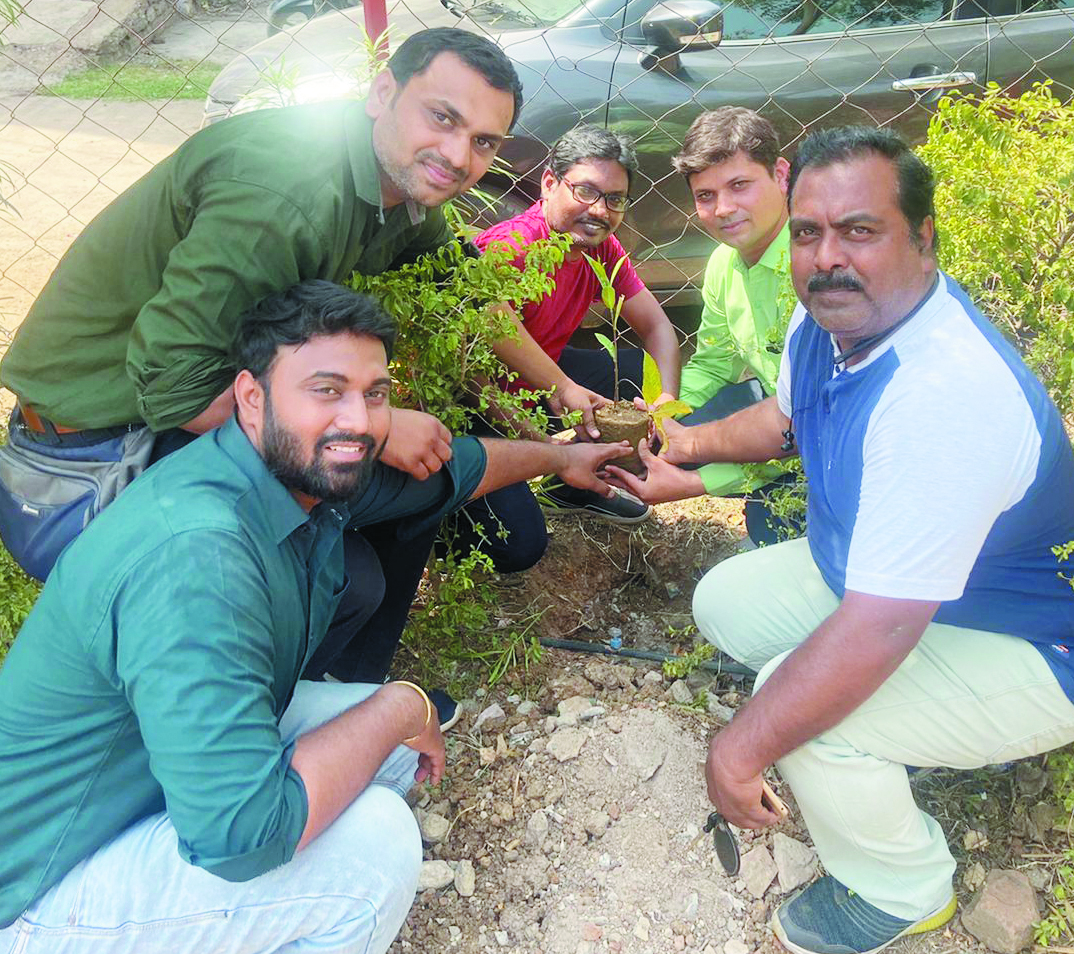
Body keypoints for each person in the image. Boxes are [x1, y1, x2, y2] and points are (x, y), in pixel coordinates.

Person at [608, 126, 1074, 954]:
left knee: (795, 708)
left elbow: (877, 630)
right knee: (726, 603)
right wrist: (685, 446)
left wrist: (739, 750)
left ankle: (903, 889)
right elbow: (779, 421)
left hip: (1046, 647)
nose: (826, 257)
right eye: (808, 232)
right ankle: (895, 735)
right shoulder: (829, 323)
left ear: (922, 238)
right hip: (914, 593)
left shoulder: (941, 395)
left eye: (859, 230)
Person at [0, 279, 628, 953]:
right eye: (326, 390)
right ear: (251, 397)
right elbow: (243, 838)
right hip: (38, 886)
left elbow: (459, 471)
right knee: (375, 848)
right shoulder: (199, 556)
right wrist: (398, 706)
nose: (358, 420)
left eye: (376, 394)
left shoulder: (290, 470)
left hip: (142, 778)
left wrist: (565, 459)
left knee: (389, 758)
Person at [0, 27, 599, 697]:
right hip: (100, 449)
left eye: (484, 142)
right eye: (442, 117)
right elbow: (177, 390)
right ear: (383, 93)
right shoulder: (286, 194)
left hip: (187, 404)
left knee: (392, 509)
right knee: (352, 560)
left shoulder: (394, 184)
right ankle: (269, 711)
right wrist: (374, 429)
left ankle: (345, 687)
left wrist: (563, 387)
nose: (459, 156)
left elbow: (464, 292)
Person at [450, 124, 682, 571]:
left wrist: (663, 403)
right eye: (586, 191)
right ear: (549, 183)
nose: (600, 210)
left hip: (541, 383)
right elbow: (470, 378)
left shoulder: (600, 247)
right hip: (477, 405)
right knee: (517, 547)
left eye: (615, 199)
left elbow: (657, 326)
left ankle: (574, 488)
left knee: (636, 372)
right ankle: (452, 510)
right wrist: (552, 452)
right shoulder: (511, 250)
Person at [666, 106, 797, 546]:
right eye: (705, 195)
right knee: (662, 440)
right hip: (777, 403)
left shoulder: (816, 266)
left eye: (740, 185)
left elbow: (815, 423)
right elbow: (713, 362)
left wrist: (698, 481)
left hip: (832, 436)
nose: (723, 209)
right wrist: (661, 413)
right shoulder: (724, 263)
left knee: (772, 526)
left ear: (781, 175)